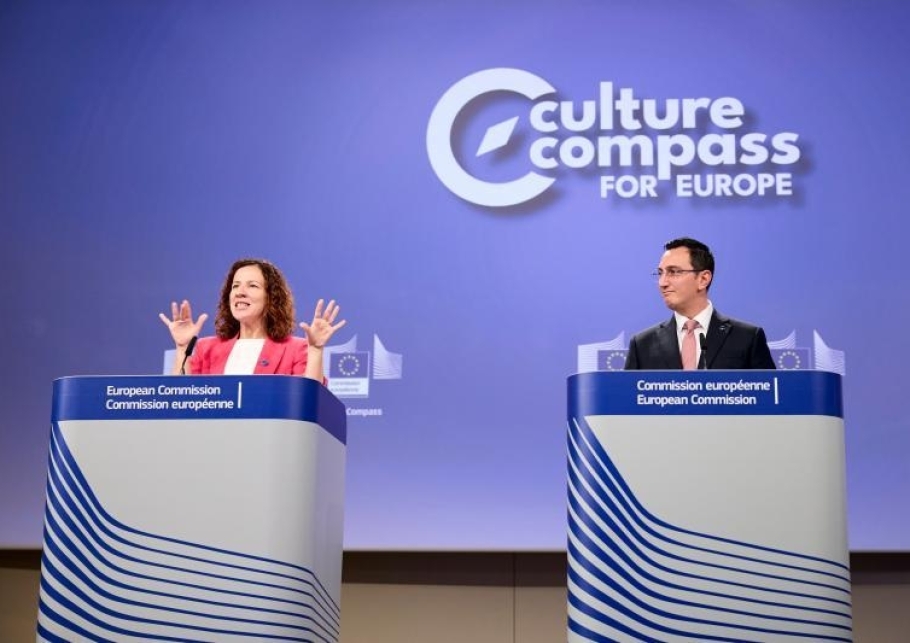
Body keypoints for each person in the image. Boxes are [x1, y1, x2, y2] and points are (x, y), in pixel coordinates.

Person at [159, 258, 346, 381]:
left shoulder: (296, 349)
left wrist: (316, 350)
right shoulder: (206, 348)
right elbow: (181, 400)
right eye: (235, 286)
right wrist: (182, 348)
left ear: (271, 297)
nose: (239, 292)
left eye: (252, 286)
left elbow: (309, 403)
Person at [624, 237, 775, 370]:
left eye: (673, 272)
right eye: (660, 273)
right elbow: (628, 394)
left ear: (703, 279)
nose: (662, 282)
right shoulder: (642, 344)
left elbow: (770, 391)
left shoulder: (747, 338)